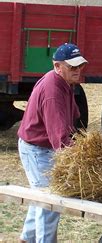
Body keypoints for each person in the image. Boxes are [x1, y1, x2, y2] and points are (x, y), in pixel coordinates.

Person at [17, 43, 88, 243]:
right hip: (37, 151)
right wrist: (83, 155)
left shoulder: (63, 83)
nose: (78, 70)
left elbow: (73, 118)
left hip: (41, 148)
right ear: (58, 66)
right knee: (50, 202)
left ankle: (26, 239)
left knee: (41, 196)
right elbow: (60, 139)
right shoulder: (52, 92)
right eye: (73, 67)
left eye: (80, 65)